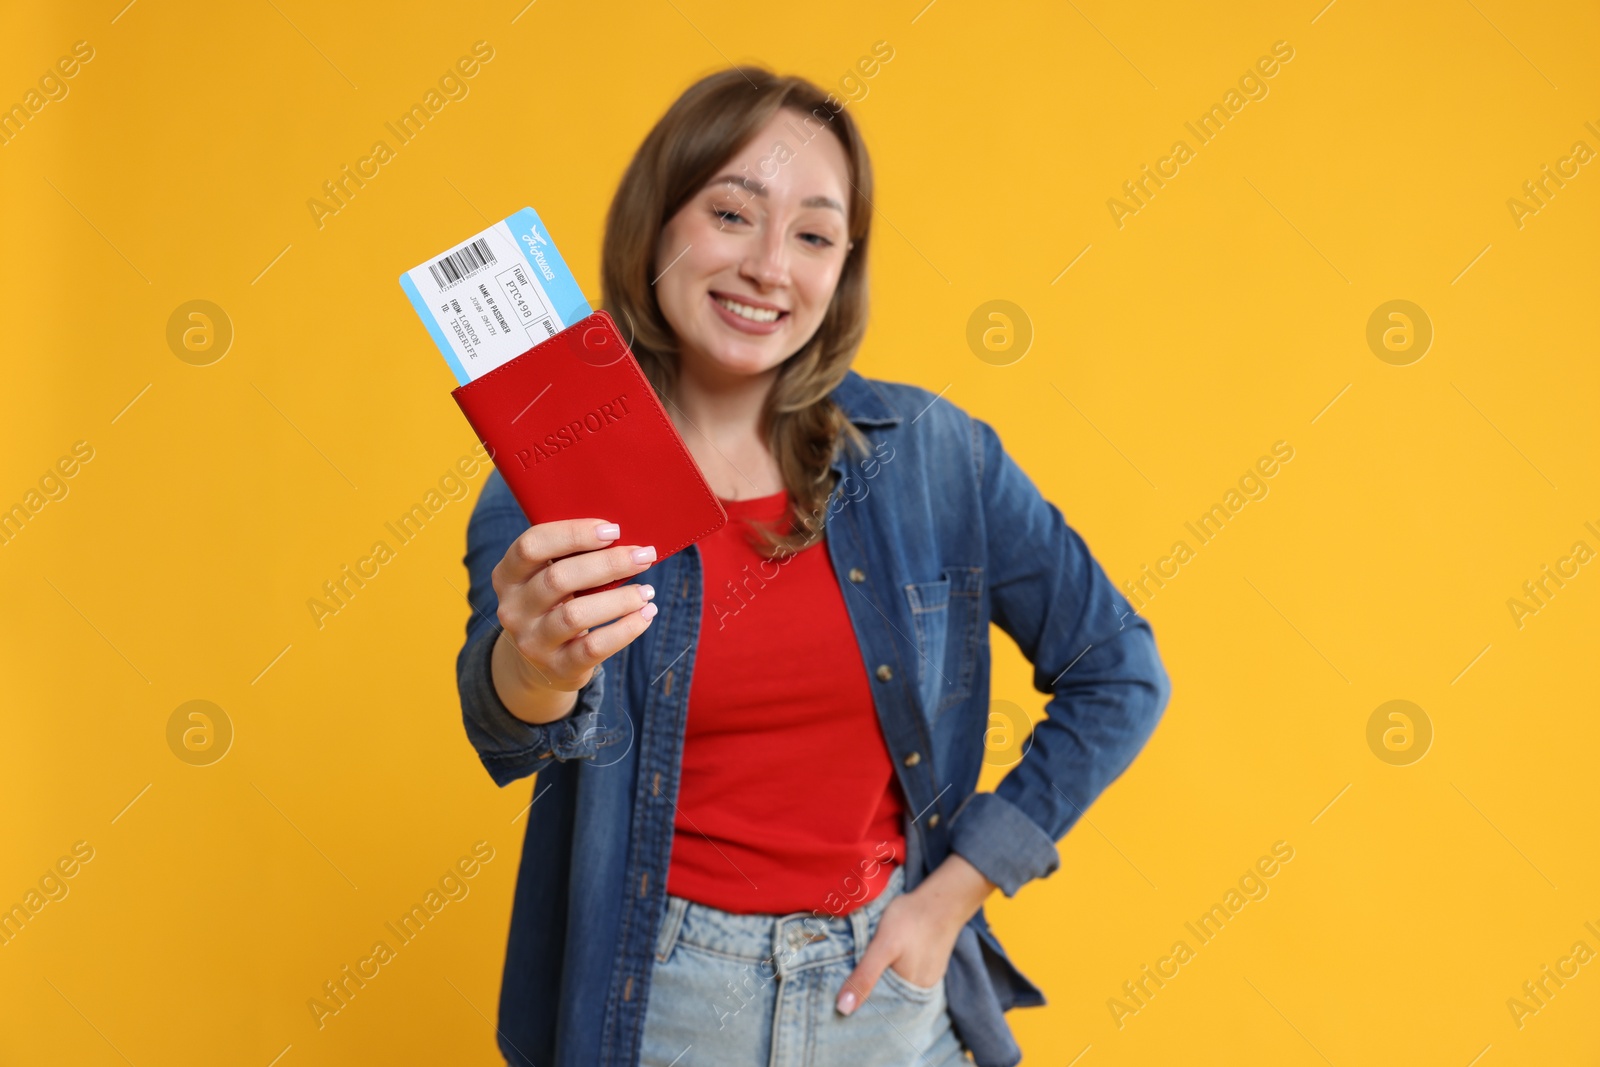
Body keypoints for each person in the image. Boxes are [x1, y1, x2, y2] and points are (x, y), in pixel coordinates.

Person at [455, 66, 1171, 1067]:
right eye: (731, 213)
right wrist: (536, 664)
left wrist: (953, 892)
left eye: (813, 234)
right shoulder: (552, 467)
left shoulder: (934, 453)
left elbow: (1120, 669)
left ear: (843, 268)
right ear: (656, 224)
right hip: (659, 991)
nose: (767, 267)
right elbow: (504, 723)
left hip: (881, 992)